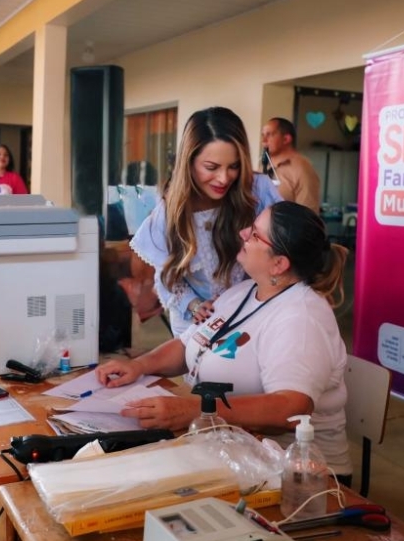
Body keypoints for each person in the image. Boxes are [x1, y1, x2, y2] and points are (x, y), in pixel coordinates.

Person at [98, 201, 352, 482]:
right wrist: (139, 365)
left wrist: (197, 411)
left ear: (279, 264)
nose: (243, 233)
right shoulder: (244, 292)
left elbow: (291, 408)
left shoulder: (300, 319)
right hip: (232, 451)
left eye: (255, 234)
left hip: (300, 479)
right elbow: (188, 344)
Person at [130, 107, 282, 337]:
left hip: (251, 310)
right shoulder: (170, 210)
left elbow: (283, 247)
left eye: (234, 166)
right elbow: (167, 274)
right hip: (194, 319)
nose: (223, 178)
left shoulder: (258, 190)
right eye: (211, 167)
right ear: (188, 162)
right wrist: (192, 305)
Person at [261, 118, 321, 214]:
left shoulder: (303, 169)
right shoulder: (263, 164)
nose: (263, 140)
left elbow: (308, 216)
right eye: (263, 135)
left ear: (286, 139)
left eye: (269, 134)